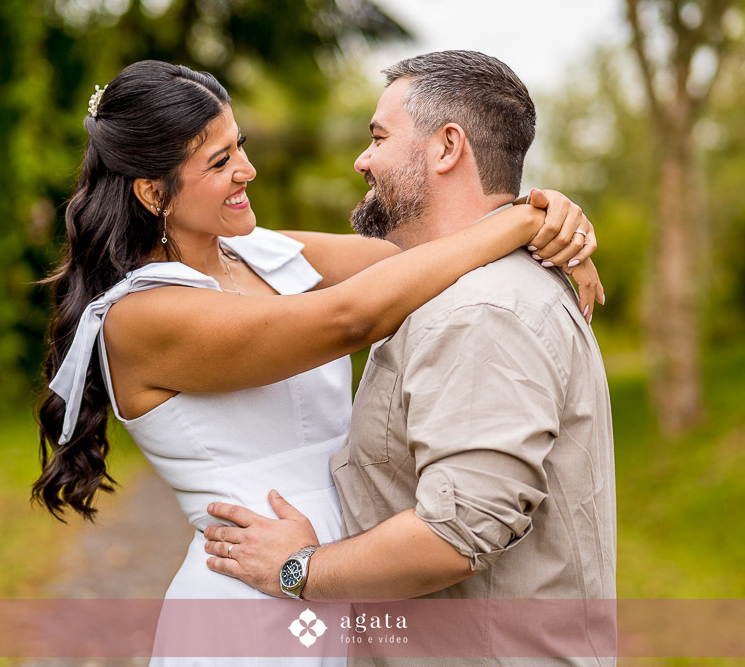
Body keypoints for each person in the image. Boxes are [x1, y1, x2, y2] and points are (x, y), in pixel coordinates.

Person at [34, 60, 600, 666]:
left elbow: (420, 253)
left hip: (345, 573)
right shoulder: (141, 317)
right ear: (153, 192)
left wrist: (548, 225)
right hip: (253, 597)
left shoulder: (263, 252)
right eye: (219, 162)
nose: (246, 171)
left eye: (240, 147)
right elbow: (351, 318)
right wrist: (519, 221)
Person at [203, 51, 616, 666]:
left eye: (378, 137)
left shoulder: (480, 310)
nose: (361, 160)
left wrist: (295, 571)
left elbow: (454, 535)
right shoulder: (452, 288)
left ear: (448, 147)